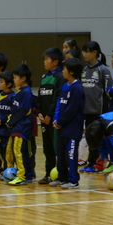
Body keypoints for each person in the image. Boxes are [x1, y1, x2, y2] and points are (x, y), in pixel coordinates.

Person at [50, 58, 86, 189]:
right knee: (60, 155)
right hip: (62, 128)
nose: (62, 71)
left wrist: (61, 121)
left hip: (72, 129)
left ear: (71, 72)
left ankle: (73, 181)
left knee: (71, 155)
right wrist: (56, 119)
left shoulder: (77, 88)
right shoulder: (65, 86)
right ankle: (62, 178)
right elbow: (60, 105)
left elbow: (72, 109)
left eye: (64, 69)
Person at [79, 41, 112, 173]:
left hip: (99, 111)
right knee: (89, 137)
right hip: (86, 111)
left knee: (98, 137)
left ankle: (97, 164)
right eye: (83, 51)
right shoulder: (84, 70)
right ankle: (92, 163)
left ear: (95, 53)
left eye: (87, 51)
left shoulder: (103, 70)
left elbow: (108, 92)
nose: (84, 54)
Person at [36, 47, 66, 184]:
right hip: (44, 120)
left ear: (55, 62)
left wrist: (49, 115)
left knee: (56, 148)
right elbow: (40, 97)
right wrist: (39, 112)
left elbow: (58, 98)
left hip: (53, 120)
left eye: (47, 59)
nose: (44, 62)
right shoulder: (44, 77)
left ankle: (60, 174)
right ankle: (48, 174)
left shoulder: (60, 77)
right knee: (47, 148)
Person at [85, 111, 113, 191]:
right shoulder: (98, 127)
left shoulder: (110, 125)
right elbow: (101, 142)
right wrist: (104, 157)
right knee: (111, 144)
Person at [5, 64, 34, 186]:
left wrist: (11, 122)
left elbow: (22, 111)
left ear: (23, 78)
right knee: (18, 151)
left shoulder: (26, 92)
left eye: (15, 78)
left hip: (22, 128)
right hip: (17, 127)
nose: (13, 80)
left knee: (19, 151)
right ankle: (25, 174)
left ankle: (22, 176)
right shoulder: (20, 91)